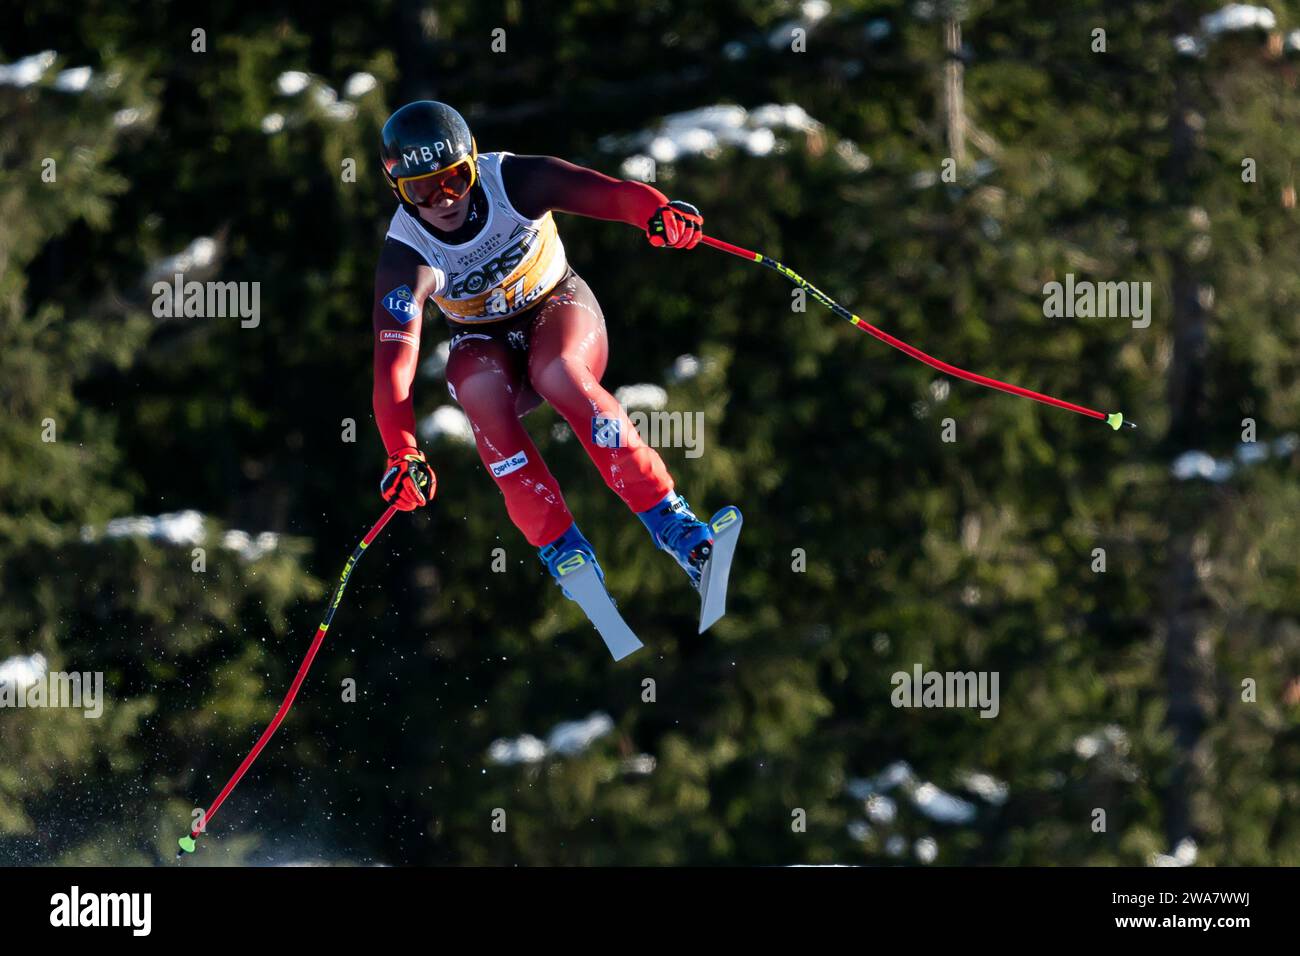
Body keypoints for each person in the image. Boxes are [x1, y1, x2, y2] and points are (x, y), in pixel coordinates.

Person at [371, 100, 716, 596]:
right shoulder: (405, 256)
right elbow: (393, 372)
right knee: (477, 391)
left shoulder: (512, 181)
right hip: (485, 343)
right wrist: (402, 452)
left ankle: (673, 524)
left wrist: (658, 214)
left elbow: (615, 197)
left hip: (559, 308)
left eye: (454, 179)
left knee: (558, 372)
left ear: (473, 163)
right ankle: (561, 548)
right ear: (398, 190)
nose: (444, 200)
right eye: (422, 190)